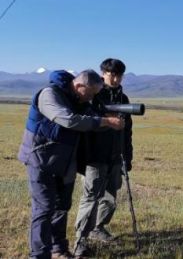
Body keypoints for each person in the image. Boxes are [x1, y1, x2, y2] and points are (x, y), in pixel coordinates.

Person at [17, 70, 125, 259]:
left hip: (65, 163)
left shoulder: (79, 100)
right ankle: (39, 255)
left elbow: (91, 121)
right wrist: (104, 120)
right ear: (79, 86)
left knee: (62, 207)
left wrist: (109, 121)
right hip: (41, 160)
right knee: (44, 209)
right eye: (91, 93)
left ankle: (58, 250)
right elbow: (68, 120)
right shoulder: (49, 94)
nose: (92, 98)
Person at [74, 58, 133, 256]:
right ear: (103, 74)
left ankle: (98, 228)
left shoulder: (124, 100)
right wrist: (107, 122)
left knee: (110, 197)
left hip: (116, 156)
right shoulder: (93, 96)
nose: (115, 78)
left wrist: (128, 156)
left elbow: (128, 131)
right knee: (91, 198)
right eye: (111, 74)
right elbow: (85, 123)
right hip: (95, 156)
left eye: (119, 75)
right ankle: (80, 239)